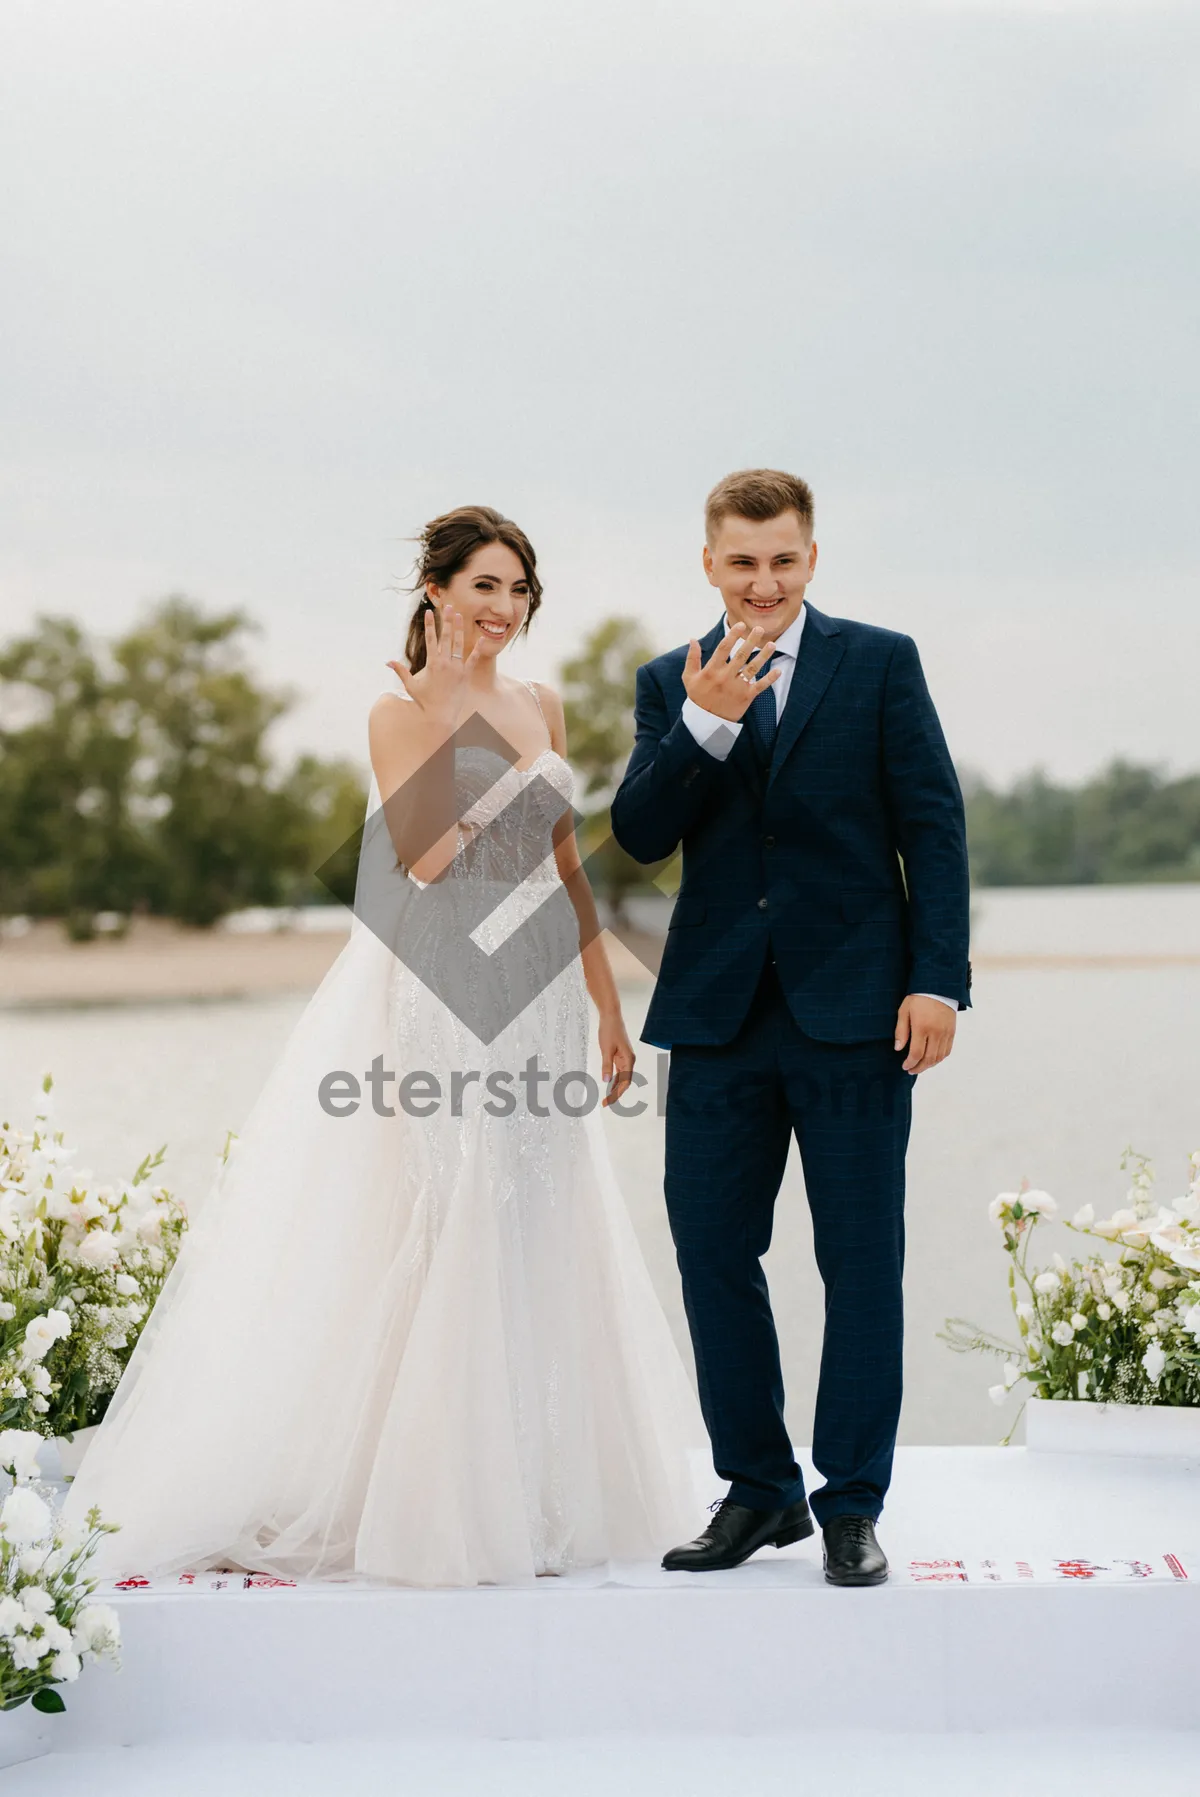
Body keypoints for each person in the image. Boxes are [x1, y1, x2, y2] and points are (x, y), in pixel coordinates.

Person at [64, 504, 704, 1587]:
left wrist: (605, 1003)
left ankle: (535, 1487)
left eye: (519, 590)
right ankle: (433, 1500)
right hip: (445, 997)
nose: (503, 610)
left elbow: (565, 863)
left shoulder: (542, 701)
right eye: (484, 587)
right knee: (452, 1217)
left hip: (542, 995)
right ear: (437, 593)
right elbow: (426, 863)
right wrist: (457, 711)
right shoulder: (398, 710)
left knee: (539, 1220)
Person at [611, 469, 971, 1587]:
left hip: (861, 1012)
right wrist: (705, 724)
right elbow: (638, 832)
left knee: (861, 1261)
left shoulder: (880, 662)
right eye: (741, 562)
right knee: (714, 1252)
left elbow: (934, 823)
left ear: (811, 558)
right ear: (709, 564)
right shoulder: (669, 680)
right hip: (716, 1016)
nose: (763, 583)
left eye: (783, 560)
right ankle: (760, 1491)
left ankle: (853, 1500)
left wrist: (938, 980)